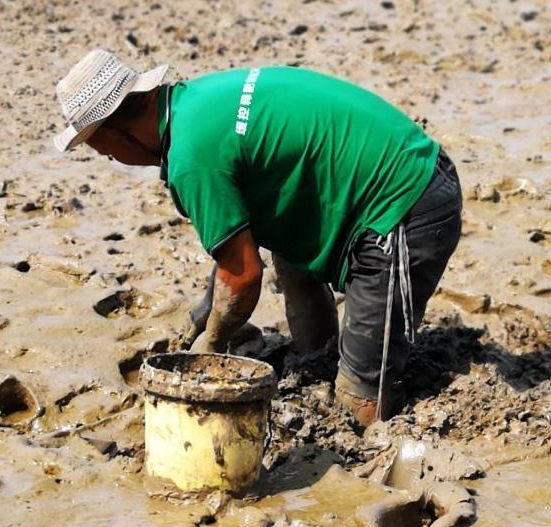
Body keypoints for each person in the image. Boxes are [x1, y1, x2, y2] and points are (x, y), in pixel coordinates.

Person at [53, 49, 462, 425]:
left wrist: (211, 343)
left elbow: (243, 276)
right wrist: (205, 314)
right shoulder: (197, 100)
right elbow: (233, 248)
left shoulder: (193, 160)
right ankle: (317, 355)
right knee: (288, 250)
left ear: (117, 131)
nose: (104, 156)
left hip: (407, 205)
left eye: (96, 145)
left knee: (357, 405)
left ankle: (360, 391)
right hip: (400, 164)